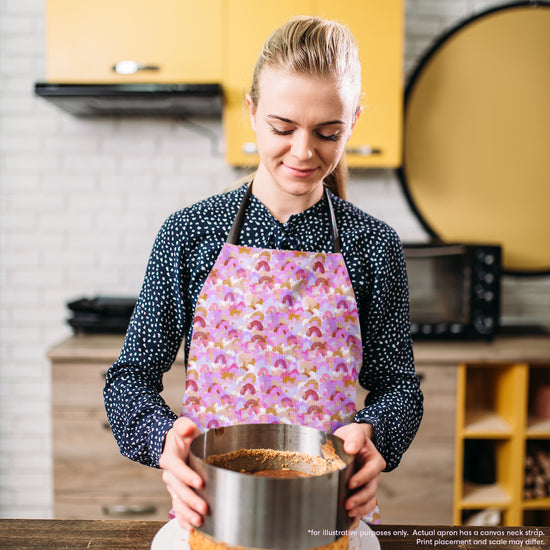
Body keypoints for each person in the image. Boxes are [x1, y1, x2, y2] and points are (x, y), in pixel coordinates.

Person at [104, 15, 423, 532]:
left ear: (354, 122)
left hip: (328, 516)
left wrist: (377, 438)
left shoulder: (373, 246)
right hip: (214, 513)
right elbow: (128, 381)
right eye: (282, 128)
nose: (303, 151)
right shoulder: (190, 233)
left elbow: (399, 388)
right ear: (251, 113)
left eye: (328, 132)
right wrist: (165, 441)